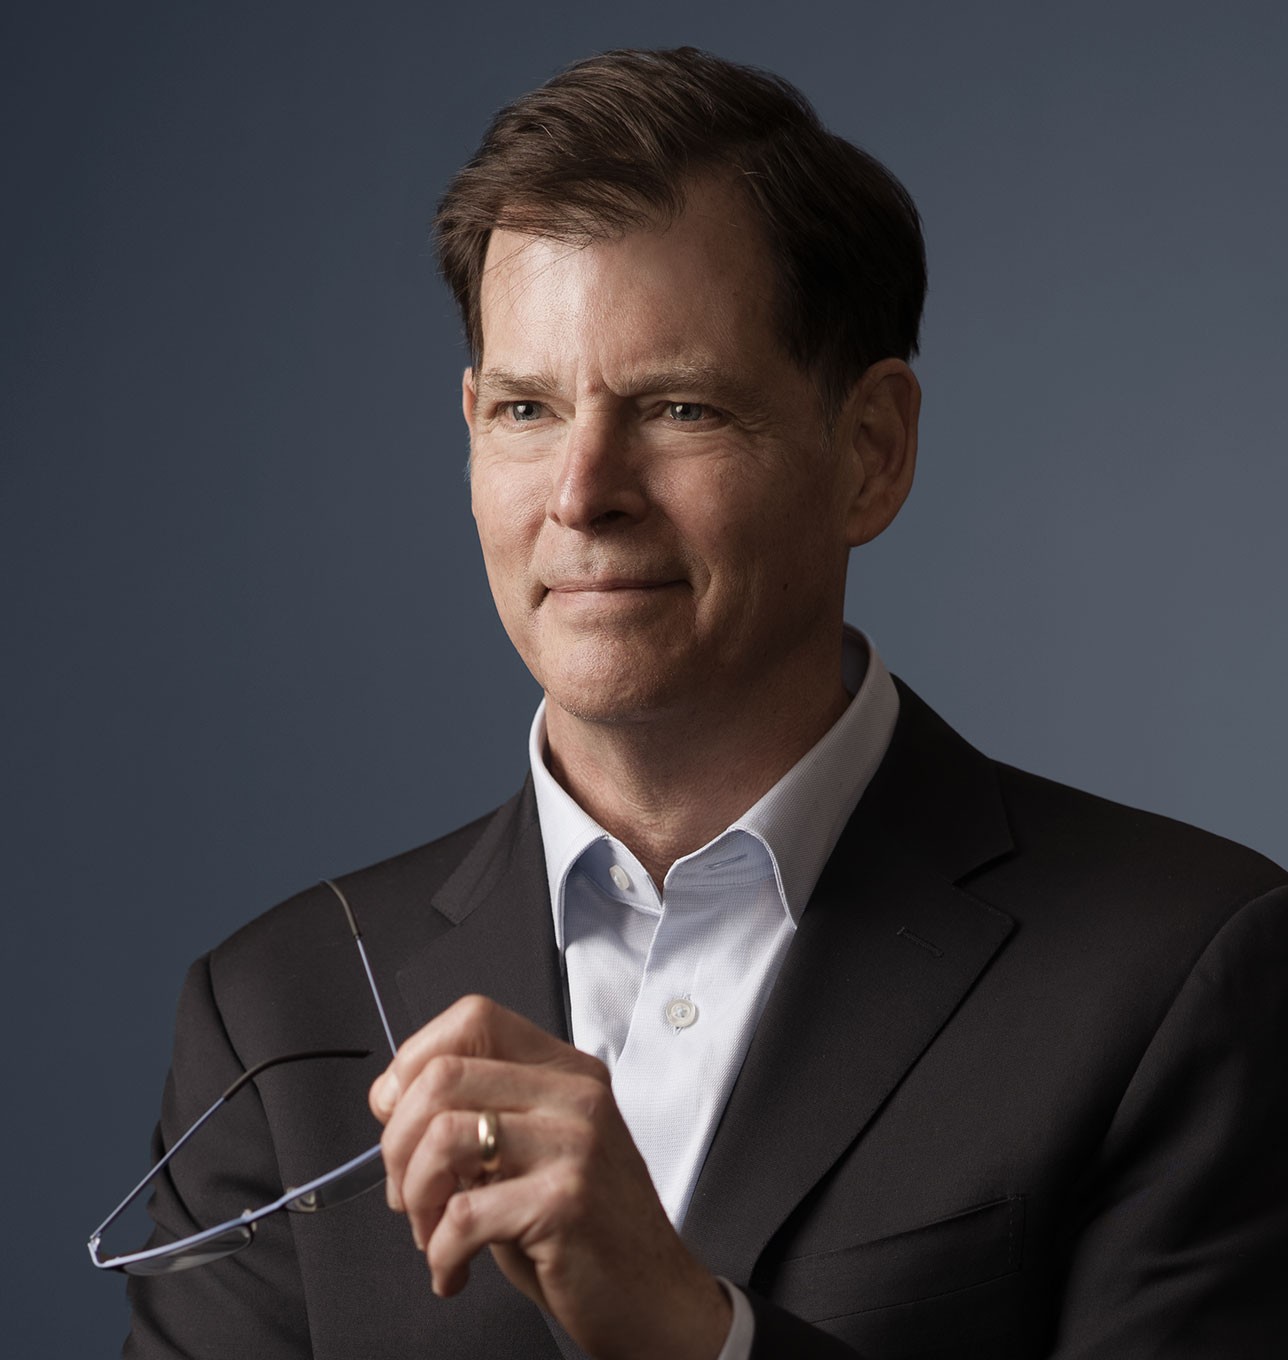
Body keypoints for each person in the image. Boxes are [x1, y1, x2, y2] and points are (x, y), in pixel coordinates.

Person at [119, 47, 1288, 1359]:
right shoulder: (274, 1014)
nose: (581, 494)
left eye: (679, 407)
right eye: (526, 409)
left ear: (872, 452)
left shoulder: (1184, 968)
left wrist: (699, 1336)